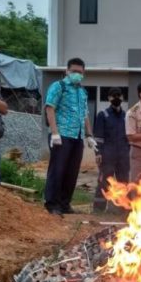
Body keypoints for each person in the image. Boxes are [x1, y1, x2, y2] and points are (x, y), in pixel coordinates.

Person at [44, 57, 96, 215]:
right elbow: (50, 108)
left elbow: (85, 114)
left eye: (80, 72)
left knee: (72, 172)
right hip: (62, 135)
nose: (77, 74)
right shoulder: (58, 86)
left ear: (84, 73)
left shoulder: (82, 91)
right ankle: (52, 204)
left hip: (77, 136)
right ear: (67, 71)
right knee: (58, 170)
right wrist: (54, 133)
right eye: (73, 71)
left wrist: (89, 135)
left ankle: (65, 204)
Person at [92, 87, 130, 213]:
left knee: (123, 182)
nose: (116, 98)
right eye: (113, 96)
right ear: (109, 98)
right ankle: (98, 209)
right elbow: (98, 137)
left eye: (119, 95)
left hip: (123, 155)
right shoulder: (103, 115)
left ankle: (121, 210)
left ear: (123, 98)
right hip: (107, 155)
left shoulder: (126, 116)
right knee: (104, 181)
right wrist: (98, 153)